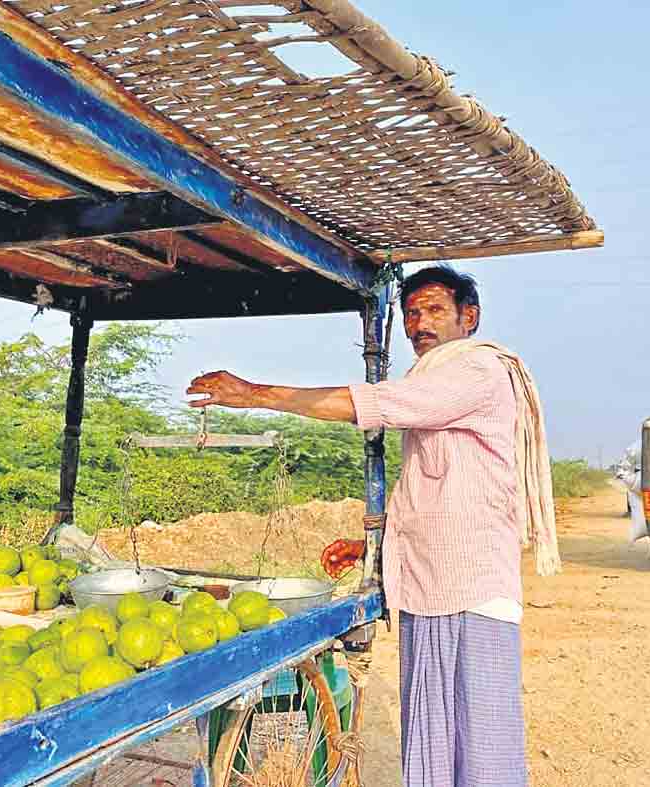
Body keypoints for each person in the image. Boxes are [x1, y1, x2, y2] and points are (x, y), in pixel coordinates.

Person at [186, 265, 559, 787]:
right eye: (411, 313)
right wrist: (373, 548)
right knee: (432, 731)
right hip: (431, 583)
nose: (419, 323)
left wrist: (258, 393)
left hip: (470, 585)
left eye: (434, 311)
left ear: (468, 318)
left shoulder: (476, 372)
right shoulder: (436, 377)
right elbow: (433, 492)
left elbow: (379, 406)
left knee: (481, 741)